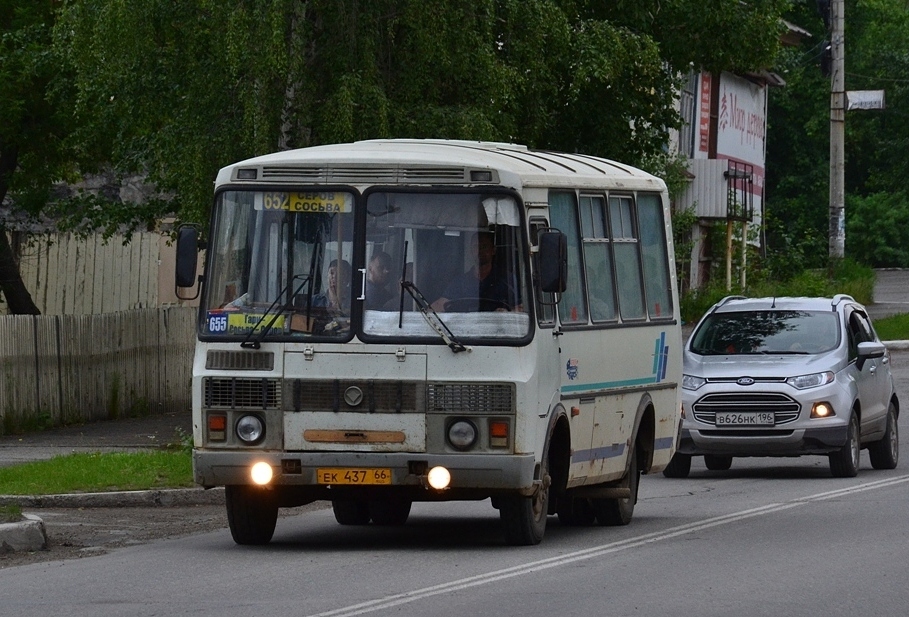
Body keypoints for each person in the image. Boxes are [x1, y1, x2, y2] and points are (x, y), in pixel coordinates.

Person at [431, 232, 519, 312]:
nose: (480, 251)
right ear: (471, 250)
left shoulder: (507, 279)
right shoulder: (460, 282)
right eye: (476, 246)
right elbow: (441, 304)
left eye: (484, 246)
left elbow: (520, 308)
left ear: (493, 250)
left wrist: (508, 314)